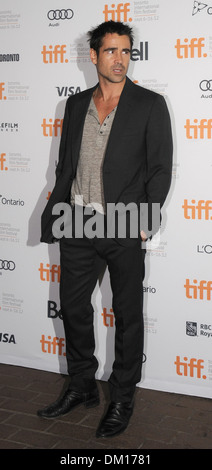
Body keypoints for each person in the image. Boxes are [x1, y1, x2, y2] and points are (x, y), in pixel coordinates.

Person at [37, 20, 173, 438]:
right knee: (74, 309)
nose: (120, 59)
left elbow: (159, 169)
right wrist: (57, 201)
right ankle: (81, 386)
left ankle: (123, 396)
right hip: (77, 220)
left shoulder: (150, 103)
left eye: (126, 51)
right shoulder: (76, 105)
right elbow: (66, 163)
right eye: (111, 51)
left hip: (125, 224)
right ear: (93, 56)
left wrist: (145, 222)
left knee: (128, 316)